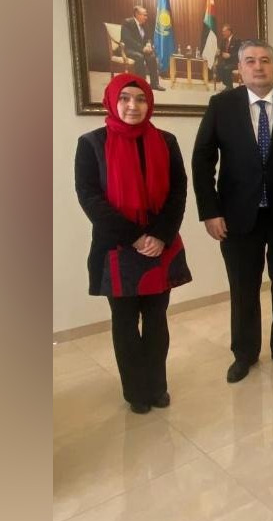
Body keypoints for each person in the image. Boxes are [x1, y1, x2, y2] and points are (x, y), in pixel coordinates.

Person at [192, 40, 273, 383]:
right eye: (250, 61)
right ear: (239, 69)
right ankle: (244, 354)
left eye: (265, 60)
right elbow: (202, 160)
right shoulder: (221, 106)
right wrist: (210, 211)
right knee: (243, 288)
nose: (258, 67)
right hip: (237, 216)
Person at [74, 73, 190, 414]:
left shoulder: (166, 141)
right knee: (125, 324)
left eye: (140, 99)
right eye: (124, 98)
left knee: (156, 320)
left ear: (149, 104)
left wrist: (160, 236)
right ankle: (135, 391)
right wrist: (137, 237)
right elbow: (90, 198)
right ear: (112, 101)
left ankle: (157, 386)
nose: (132, 105)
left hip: (160, 247)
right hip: (117, 249)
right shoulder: (91, 144)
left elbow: (178, 192)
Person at [120, 6, 165, 91]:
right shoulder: (127, 22)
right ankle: (141, 84)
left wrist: (148, 44)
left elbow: (148, 38)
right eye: (144, 15)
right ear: (137, 14)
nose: (146, 17)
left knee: (151, 56)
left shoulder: (144, 25)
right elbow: (127, 40)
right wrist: (142, 48)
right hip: (128, 49)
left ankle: (154, 84)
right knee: (139, 57)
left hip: (140, 49)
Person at [216, 24, 240, 90]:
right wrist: (219, 52)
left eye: (224, 31)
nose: (222, 33)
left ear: (229, 31)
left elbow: (239, 52)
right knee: (218, 67)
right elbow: (220, 51)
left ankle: (229, 87)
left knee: (226, 69)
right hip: (225, 62)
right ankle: (227, 84)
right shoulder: (223, 40)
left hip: (234, 62)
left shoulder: (237, 40)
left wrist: (230, 55)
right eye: (222, 31)